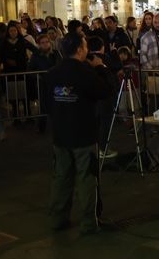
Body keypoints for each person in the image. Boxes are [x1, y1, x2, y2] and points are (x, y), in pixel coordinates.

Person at [46, 32, 115, 234]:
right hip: (83, 134)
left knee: (61, 177)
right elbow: (105, 91)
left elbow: (47, 104)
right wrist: (101, 68)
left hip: (60, 134)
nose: (87, 49)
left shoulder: (52, 73)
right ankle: (88, 222)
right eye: (85, 46)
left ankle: (57, 218)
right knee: (86, 178)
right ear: (79, 49)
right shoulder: (85, 73)